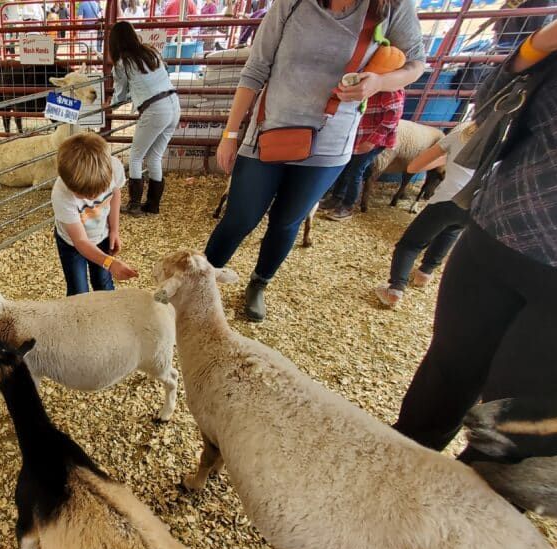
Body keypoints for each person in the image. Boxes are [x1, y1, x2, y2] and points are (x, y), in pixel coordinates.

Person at [393, 20, 557, 451]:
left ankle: (480, 504)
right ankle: (400, 470)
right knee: (446, 370)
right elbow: (487, 112)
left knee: (520, 416)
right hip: (496, 230)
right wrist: (537, 45)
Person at [203, 0, 425, 322]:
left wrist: (378, 83)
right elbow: (256, 68)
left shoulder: (391, 6)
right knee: (240, 216)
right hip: (269, 132)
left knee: (287, 221)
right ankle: (200, 278)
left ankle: (259, 283)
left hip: (329, 144)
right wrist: (230, 134)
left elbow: (416, 64)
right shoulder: (291, 4)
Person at [371, 121, 477, 308]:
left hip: (446, 199)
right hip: (475, 205)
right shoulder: (509, 141)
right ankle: (424, 275)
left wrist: (448, 157)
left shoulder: (463, 132)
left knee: (410, 244)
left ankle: (395, 289)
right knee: (452, 231)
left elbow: (414, 167)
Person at [51, 132, 139, 295]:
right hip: (71, 243)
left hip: (101, 235)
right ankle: (79, 319)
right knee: (79, 291)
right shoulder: (61, 194)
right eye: (83, 195)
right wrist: (110, 263)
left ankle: (107, 318)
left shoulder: (114, 167)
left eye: (98, 192)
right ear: (68, 184)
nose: (92, 199)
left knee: (103, 282)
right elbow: (81, 241)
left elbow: (115, 194)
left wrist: (114, 230)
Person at [109, 21, 181, 216]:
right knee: (154, 156)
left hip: (155, 109)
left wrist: (110, 104)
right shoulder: (151, 53)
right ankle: (152, 205)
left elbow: (120, 94)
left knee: (135, 157)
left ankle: (134, 204)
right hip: (173, 104)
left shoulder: (123, 64)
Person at [318, 88, 404, 221]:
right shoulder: (371, 84)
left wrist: (372, 141)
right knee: (345, 167)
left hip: (371, 139)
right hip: (359, 134)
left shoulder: (391, 88)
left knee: (355, 171)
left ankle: (347, 206)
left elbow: (392, 118)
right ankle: (336, 198)